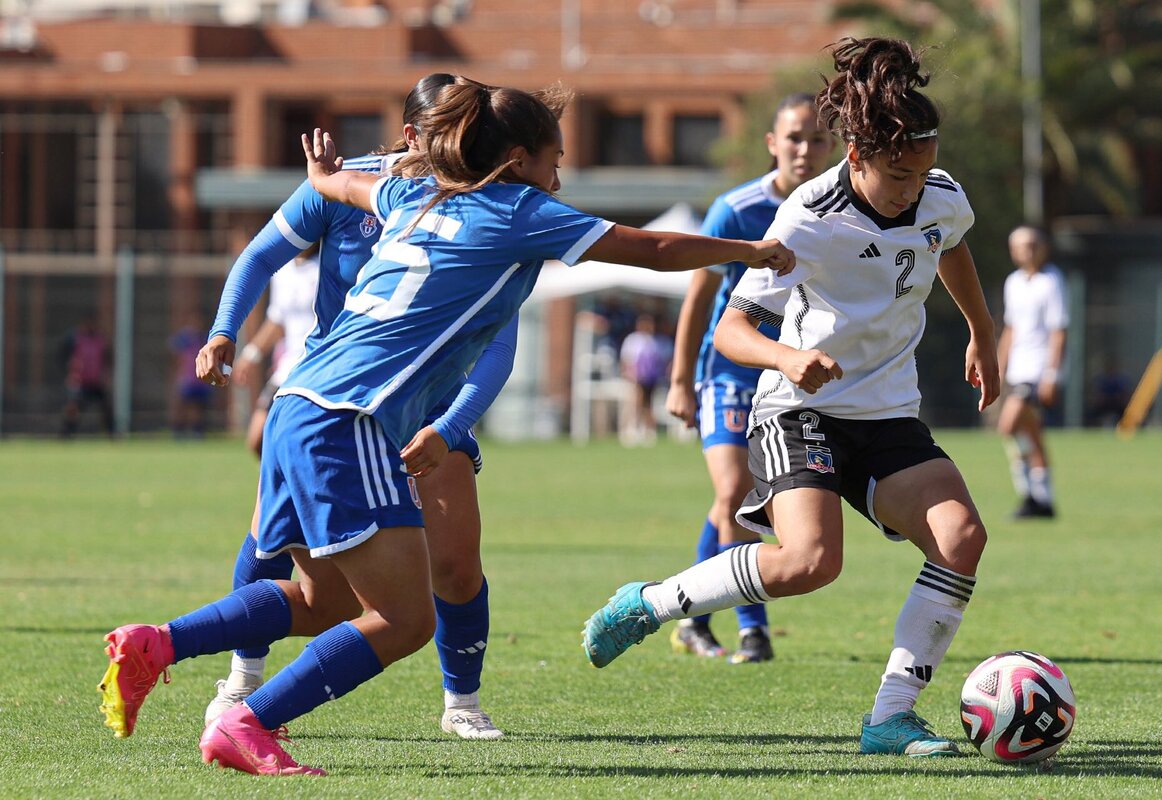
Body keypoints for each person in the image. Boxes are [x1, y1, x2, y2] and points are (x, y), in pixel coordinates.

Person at [97, 77, 796, 775]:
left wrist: (323, 179)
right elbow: (655, 250)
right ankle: (248, 722)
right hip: (352, 419)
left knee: (323, 600)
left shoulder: (413, 194)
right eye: (554, 157)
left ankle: (156, 643)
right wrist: (748, 252)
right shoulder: (520, 209)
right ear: (519, 158)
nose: (561, 173)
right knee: (406, 619)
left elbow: (348, 191)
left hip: (297, 404)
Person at [583, 37, 999, 759]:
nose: (913, 189)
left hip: (888, 413)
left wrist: (980, 332)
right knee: (810, 563)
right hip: (797, 410)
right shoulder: (810, 213)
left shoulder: (939, 193)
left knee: (963, 538)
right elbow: (735, 330)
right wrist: (788, 357)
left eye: (923, 171)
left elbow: (950, 242)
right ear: (858, 156)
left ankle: (891, 719)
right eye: (898, 175)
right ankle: (651, 602)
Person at [193, 74, 516, 741]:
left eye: (475, 128)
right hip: (333, 404)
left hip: (428, 409)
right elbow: (260, 255)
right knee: (271, 540)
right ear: (412, 136)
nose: (468, 142)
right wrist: (226, 326)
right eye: (453, 129)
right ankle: (243, 677)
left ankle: (462, 700)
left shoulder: (487, 204)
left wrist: (451, 426)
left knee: (454, 565)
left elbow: (498, 342)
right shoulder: (351, 186)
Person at [664, 92, 835, 664]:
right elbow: (699, 298)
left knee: (734, 504)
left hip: (789, 378)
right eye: (794, 138)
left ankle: (690, 616)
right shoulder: (734, 209)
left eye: (816, 139)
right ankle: (753, 628)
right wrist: (680, 379)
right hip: (729, 374)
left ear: (833, 145)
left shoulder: (839, 210)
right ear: (772, 144)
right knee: (733, 494)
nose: (805, 149)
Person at [996, 225, 1067, 519]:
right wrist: (998, 366)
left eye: (1034, 244)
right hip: (1018, 368)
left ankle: (1029, 493)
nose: (1029, 250)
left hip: (1037, 370)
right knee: (1030, 432)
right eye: (1023, 245)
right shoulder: (1013, 282)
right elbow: (1010, 329)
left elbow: (1059, 330)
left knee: (1008, 425)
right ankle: (1041, 497)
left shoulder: (1051, 281)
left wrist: (1052, 374)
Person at [231, 245, 319, 457]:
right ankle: (282, 484)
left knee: (299, 439)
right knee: (257, 439)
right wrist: (251, 354)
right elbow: (277, 320)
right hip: (288, 366)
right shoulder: (284, 270)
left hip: (315, 364)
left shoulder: (327, 266)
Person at [59, 317, 114, 437]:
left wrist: (106, 376)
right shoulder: (74, 339)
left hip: (96, 382)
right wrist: (70, 372)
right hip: (80, 382)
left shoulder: (101, 340)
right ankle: (67, 434)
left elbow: (107, 360)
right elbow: (64, 357)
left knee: (106, 408)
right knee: (73, 408)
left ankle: (111, 433)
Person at [619, 312, 668, 445]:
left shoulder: (658, 341)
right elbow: (627, 360)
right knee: (635, 403)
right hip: (636, 377)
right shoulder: (633, 340)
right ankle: (630, 429)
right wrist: (630, 374)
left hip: (652, 378)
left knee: (649, 404)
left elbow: (664, 360)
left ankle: (649, 430)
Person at [169, 311, 215, 438]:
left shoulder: (205, 338)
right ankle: (178, 431)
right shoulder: (184, 338)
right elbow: (175, 358)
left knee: (198, 408)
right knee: (182, 405)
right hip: (187, 378)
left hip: (200, 379)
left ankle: (197, 432)